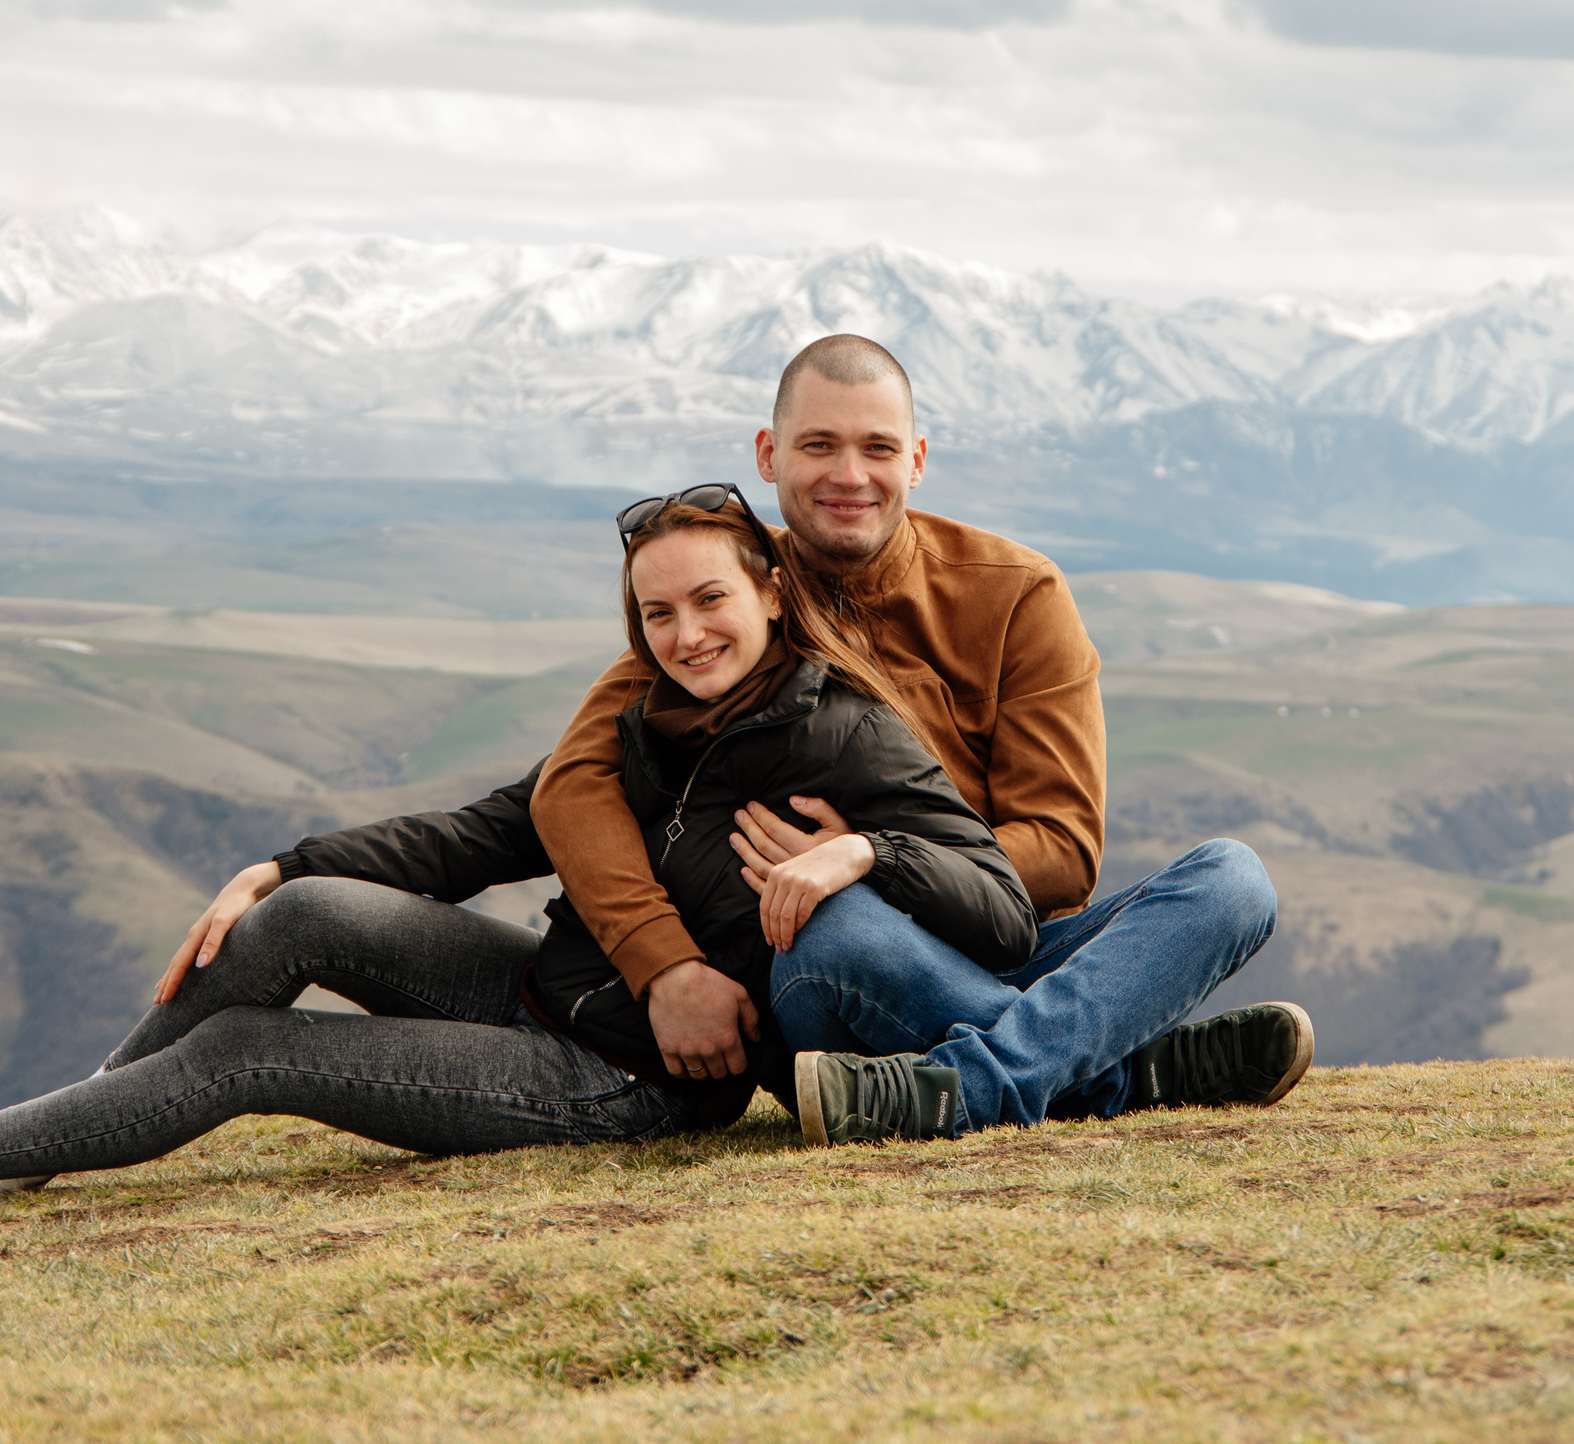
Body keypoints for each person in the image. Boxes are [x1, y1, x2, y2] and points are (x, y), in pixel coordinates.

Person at [0, 486, 1025, 1212]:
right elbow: (481, 833)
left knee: (251, 1054)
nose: (686, 630)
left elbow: (1003, 902)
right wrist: (286, 865)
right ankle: (50, 1131)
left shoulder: (845, 733)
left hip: (623, 1076)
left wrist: (859, 852)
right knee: (294, 923)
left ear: (772, 593)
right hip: (543, 984)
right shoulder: (645, 723)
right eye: (658, 610)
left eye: (711, 600)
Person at [532, 334, 1310, 1142]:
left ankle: (980, 1084)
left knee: (1234, 880)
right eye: (818, 445)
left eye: (878, 447)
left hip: (1005, 942)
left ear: (917, 459)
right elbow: (572, 781)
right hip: (840, 963)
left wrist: (875, 852)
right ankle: (1114, 1072)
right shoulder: (734, 598)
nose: (849, 475)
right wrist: (662, 961)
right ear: (769, 455)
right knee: (840, 920)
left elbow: (1062, 850)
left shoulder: (1018, 596)